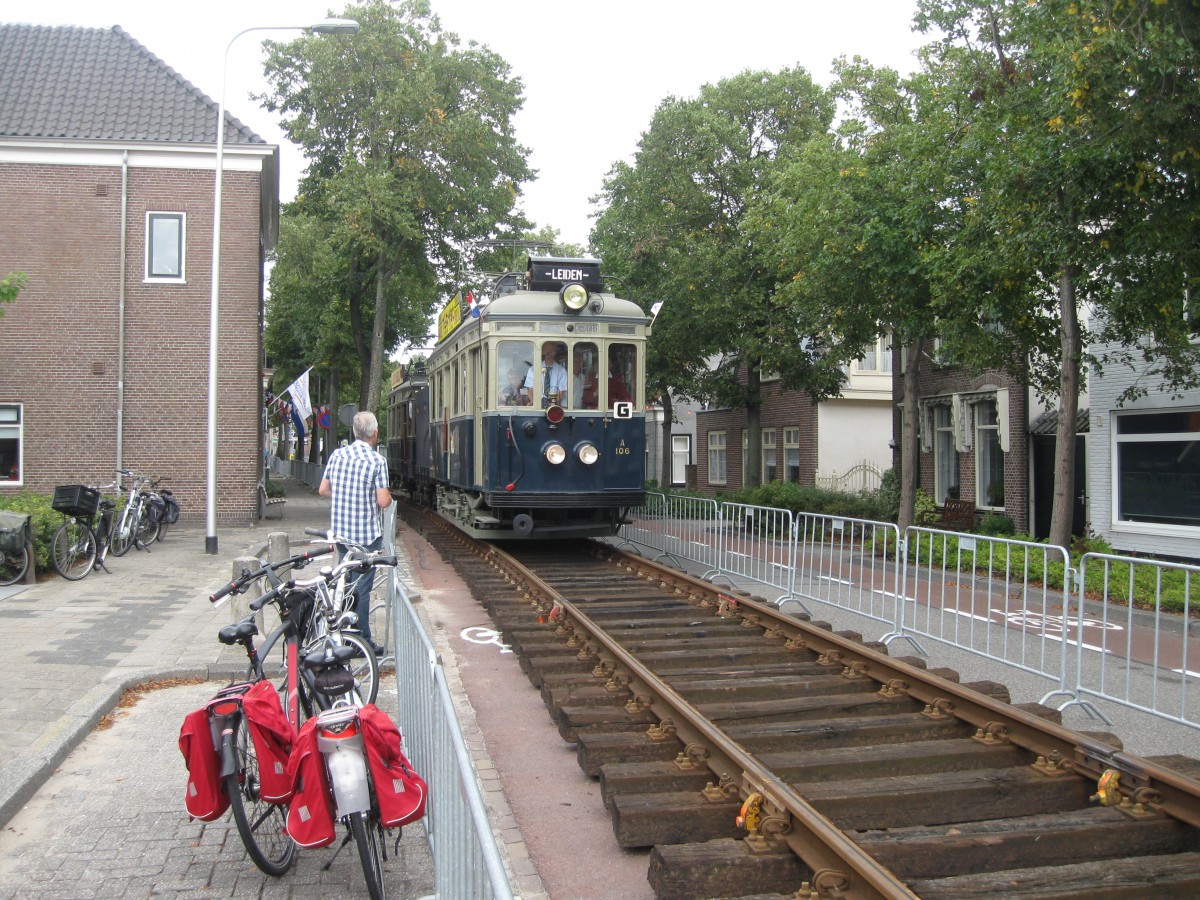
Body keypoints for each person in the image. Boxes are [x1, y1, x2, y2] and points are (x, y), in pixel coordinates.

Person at [319, 410, 392, 654]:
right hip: (365, 537)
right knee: (361, 587)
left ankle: (341, 632)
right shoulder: (377, 461)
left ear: (354, 432)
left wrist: (342, 495)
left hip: (341, 534)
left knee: (345, 582)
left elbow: (323, 489)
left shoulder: (337, 455)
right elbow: (383, 501)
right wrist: (387, 497)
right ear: (375, 433)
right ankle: (361, 641)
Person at [525, 341, 567, 407]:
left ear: (555, 352)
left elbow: (561, 392)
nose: (550, 354)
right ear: (543, 353)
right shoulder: (533, 369)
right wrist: (534, 403)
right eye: (548, 352)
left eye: (552, 351)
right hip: (537, 404)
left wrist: (553, 404)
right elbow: (530, 390)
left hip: (554, 405)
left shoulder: (561, 371)